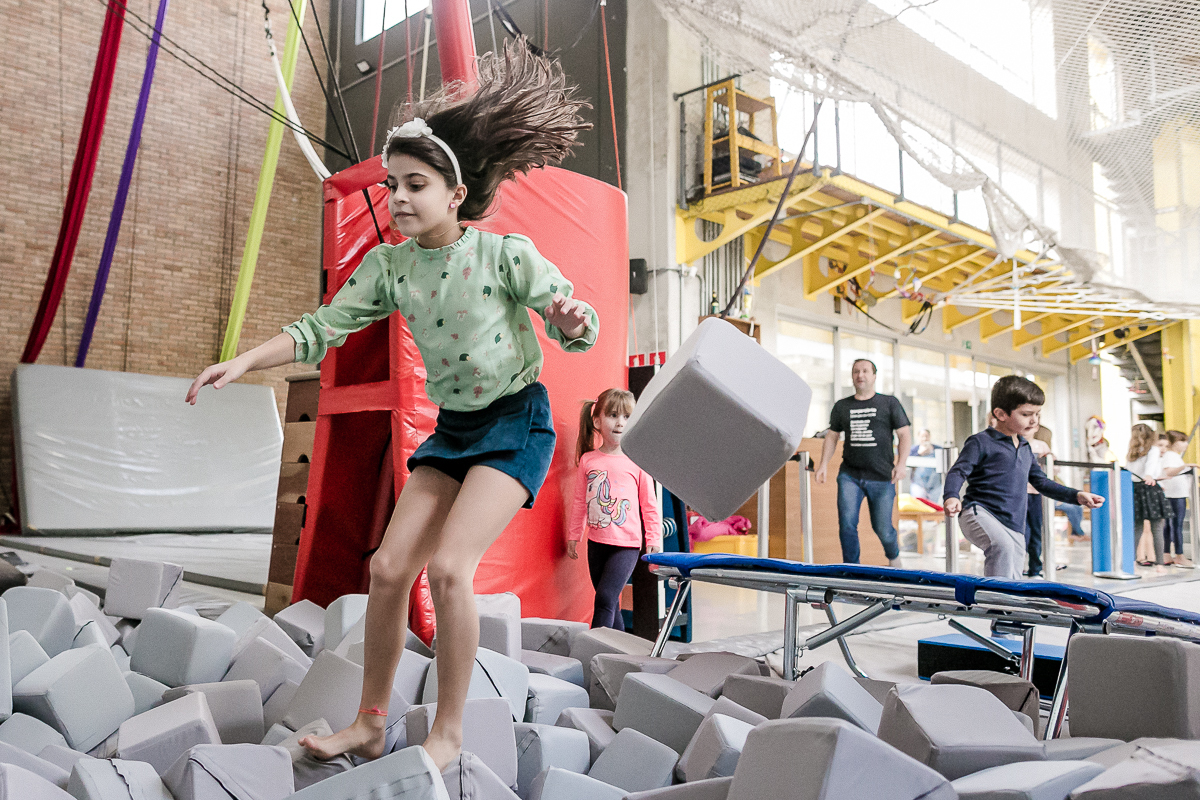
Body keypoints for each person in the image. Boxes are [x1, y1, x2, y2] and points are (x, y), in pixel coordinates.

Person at [185, 40, 596, 769]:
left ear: (456, 192)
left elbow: (579, 326)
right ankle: (371, 721)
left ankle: (449, 730)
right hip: (454, 430)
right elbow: (320, 329)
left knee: (448, 571)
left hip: (514, 422)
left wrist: (568, 320)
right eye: (391, 187)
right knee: (385, 568)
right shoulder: (390, 267)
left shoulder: (505, 256)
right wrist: (245, 358)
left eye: (414, 185)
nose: (398, 199)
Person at [944, 376, 1103, 579]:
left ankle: (1009, 604)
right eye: (1026, 414)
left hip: (1013, 522)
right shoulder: (980, 442)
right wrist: (951, 496)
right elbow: (958, 471)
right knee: (1001, 546)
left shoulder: (1025, 448)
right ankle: (996, 603)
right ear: (1001, 414)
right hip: (980, 513)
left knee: (1014, 572)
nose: (1034, 420)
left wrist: (1077, 496)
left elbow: (1041, 482)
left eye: (1037, 414)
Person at [567, 388, 662, 630]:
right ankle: (618, 653)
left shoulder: (638, 460)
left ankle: (593, 650)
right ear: (597, 421)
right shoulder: (589, 460)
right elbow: (580, 500)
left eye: (627, 417)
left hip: (626, 545)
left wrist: (654, 539)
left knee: (605, 599)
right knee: (610, 605)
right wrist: (574, 535)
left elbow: (649, 505)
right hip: (597, 544)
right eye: (613, 415)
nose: (620, 423)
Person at [815, 359, 912, 566]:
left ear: (874, 376)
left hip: (882, 477)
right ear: (852, 376)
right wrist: (823, 464)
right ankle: (852, 571)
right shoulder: (842, 406)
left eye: (865, 371)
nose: (861, 375)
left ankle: (894, 558)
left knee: (883, 529)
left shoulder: (889, 403)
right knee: (847, 525)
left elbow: (904, 434)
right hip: (850, 475)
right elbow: (832, 436)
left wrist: (901, 463)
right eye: (856, 371)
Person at [1127, 423, 1171, 573]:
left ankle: (1131, 561)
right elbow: (1150, 469)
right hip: (1150, 488)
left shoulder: (1132, 452)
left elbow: (1130, 471)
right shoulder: (1152, 450)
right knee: (1157, 528)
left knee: (1137, 527)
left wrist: (1147, 476)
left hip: (1135, 488)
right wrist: (1149, 476)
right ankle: (1159, 564)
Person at [1159, 430, 1195, 566]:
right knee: (1175, 525)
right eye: (1182, 441)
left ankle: (1167, 554)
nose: (1185, 444)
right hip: (1174, 495)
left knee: (1170, 526)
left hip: (1175, 494)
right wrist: (1185, 466)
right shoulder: (1170, 456)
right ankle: (1179, 555)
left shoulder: (1174, 456)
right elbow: (1169, 471)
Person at [1024, 424, 1054, 577]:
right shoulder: (1013, 443)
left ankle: (1035, 567)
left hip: (1036, 494)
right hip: (1020, 494)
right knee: (1023, 531)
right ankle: (1020, 564)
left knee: (1036, 530)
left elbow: (1052, 468)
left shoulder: (1041, 446)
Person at [908, 429, 942, 502]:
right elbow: (908, 463)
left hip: (935, 485)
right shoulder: (913, 450)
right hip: (918, 484)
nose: (924, 438)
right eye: (922, 436)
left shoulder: (938, 449)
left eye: (926, 436)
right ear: (918, 437)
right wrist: (919, 454)